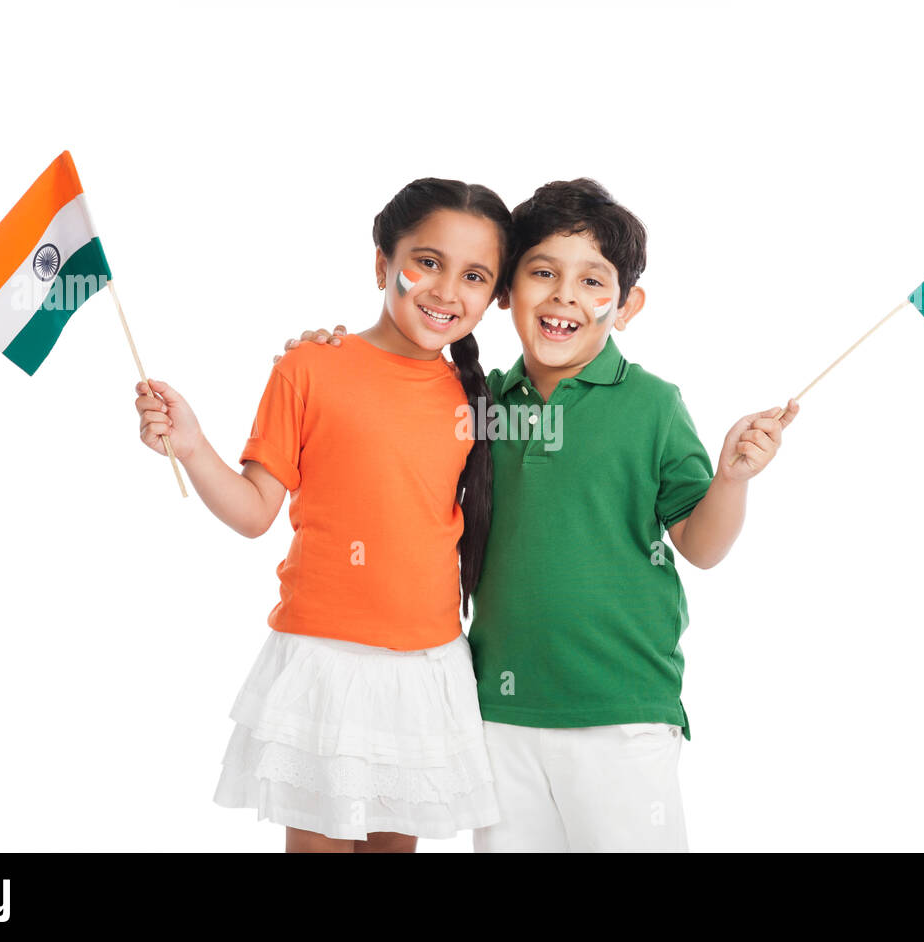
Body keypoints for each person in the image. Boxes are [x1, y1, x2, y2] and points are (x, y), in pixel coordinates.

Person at [282, 178, 798, 852]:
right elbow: (391, 417)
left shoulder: (653, 405)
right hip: (498, 714)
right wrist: (329, 356)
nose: (564, 297)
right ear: (506, 294)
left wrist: (731, 480)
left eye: (593, 282)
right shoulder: (480, 403)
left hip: (621, 714)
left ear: (628, 304)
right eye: (542, 273)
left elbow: (701, 546)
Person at [134, 178, 511, 852]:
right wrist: (192, 447)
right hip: (327, 664)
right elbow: (254, 512)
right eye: (427, 262)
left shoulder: (478, 399)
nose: (447, 290)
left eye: (475, 275)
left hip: (425, 667)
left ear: (494, 295)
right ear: (381, 265)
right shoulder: (309, 368)